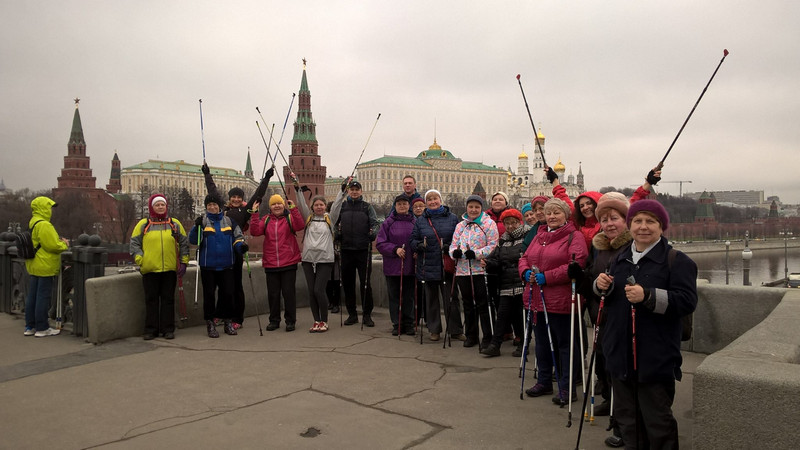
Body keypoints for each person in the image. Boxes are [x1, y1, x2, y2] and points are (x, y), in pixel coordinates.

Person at [595, 199, 697, 449]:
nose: (643, 227)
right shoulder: (619, 259)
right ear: (630, 226)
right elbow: (609, 300)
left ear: (661, 227)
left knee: (657, 423)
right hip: (620, 354)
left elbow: (686, 302)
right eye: (637, 221)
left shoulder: (677, 261)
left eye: (650, 221)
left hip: (655, 357)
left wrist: (648, 296)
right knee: (628, 422)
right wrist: (600, 286)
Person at [569, 191, 631, 446]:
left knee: (622, 372)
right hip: (601, 316)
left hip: (624, 320)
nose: (609, 224)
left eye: (614, 218)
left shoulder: (633, 246)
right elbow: (591, 283)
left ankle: (624, 424)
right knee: (604, 362)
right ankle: (611, 405)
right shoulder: (599, 247)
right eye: (604, 219)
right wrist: (581, 276)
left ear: (626, 219)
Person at [519, 198, 588, 405]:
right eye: (549, 213)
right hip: (537, 298)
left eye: (556, 212)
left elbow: (576, 263)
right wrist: (525, 272)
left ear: (566, 215)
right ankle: (544, 381)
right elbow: (524, 258)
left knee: (565, 345)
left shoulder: (574, 236)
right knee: (541, 343)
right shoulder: (540, 235)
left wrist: (547, 277)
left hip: (561, 300)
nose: (551, 216)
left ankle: (567, 387)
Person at [201, 163, 274, 329]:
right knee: (223, 286)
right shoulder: (223, 209)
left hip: (236, 252)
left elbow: (258, 194)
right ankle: (221, 314)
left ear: (242, 199)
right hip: (221, 253)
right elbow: (212, 191)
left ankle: (237, 318)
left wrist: (266, 178)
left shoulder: (245, 211)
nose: (236, 199)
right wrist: (207, 174)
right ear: (229, 198)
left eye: (239, 197)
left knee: (235, 286)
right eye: (233, 197)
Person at [130, 194, 190, 340]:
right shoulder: (143, 224)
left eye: (162, 205)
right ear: (152, 207)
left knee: (168, 300)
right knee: (151, 300)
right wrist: (140, 260)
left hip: (169, 269)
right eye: (157, 205)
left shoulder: (174, 224)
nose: (160, 207)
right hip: (150, 268)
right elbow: (134, 243)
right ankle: (151, 330)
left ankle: (168, 329)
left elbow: (184, 243)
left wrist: (183, 262)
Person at [189, 194, 248, 338]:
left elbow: (238, 237)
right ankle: (210, 323)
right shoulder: (202, 221)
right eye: (209, 205)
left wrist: (241, 247)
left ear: (219, 206)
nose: (212, 207)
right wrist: (196, 228)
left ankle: (227, 321)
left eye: (215, 205)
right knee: (209, 295)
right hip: (208, 266)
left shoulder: (229, 221)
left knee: (228, 294)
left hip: (226, 265)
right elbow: (193, 240)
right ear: (206, 207)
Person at [409, 189, 464, 342]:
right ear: (426, 203)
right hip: (428, 265)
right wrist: (419, 245)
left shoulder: (452, 218)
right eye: (430, 199)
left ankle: (455, 330)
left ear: (440, 200)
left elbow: (460, 238)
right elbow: (412, 240)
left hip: (447, 264)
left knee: (451, 299)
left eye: (435, 199)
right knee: (431, 299)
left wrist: (450, 247)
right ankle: (434, 330)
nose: (433, 202)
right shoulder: (421, 220)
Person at [249, 193, 305, 331]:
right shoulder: (266, 220)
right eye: (273, 204)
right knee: (273, 295)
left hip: (289, 262)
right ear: (270, 207)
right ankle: (274, 320)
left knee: (288, 293)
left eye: (279, 203)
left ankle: (290, 321)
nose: (277, 206)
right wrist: (255, 213)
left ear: (283, 205)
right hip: (271, 263)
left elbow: (300, 225)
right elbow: (255, 231)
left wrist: (294, 209)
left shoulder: (289, 218)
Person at [450, 195, 499, 349]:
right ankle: (471, 335)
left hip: (480, 270)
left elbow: (493, 245)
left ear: (481, 208)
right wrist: (454, 253)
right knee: (467, 304)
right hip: (463, 270)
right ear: (466, 208)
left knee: (482, 304)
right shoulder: (461, 225)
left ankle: (487, 336)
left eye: (477, 207)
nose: (473, 210)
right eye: (470, 207)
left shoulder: (488, 224)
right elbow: (453, 245)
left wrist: (477, 254)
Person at [296, 184, 345, 333]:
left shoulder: (330, 218)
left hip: (325, 260)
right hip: (308, 260)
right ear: (312, 207)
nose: (319, 207)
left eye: (321, 205)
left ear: (325, 206)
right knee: (312, 291)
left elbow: (337, 205)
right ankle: (316, 321)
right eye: (316, 205)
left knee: (319, 290)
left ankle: (324, 320)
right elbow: (301, 204)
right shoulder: (308, 218)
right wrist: (297, 189)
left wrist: (342, 191)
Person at [481, 208, 528, 356]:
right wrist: (488, 263)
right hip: (506, 283)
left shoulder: (526, 237)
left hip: (521, 281)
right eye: (507, 223)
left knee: (520, 315)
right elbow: (496, 260)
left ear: (519, 222)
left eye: (513, 223)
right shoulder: (503, 240)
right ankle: (495, 345)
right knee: (502, 314)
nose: (510, 226)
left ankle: (523, 343)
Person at [334, 180, 380, 327]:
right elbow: (334, 222)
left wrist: (373, 234)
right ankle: (352, 314)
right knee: (348, 284)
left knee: (365, 283)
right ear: (348, 191)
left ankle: (367, 315)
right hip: (346, 250)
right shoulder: (342, 206)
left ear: (361, 191)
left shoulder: (367, 207)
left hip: (363, 250)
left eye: (357, 189)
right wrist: (336, 234)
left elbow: (375, 223)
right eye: (352, 189)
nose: (354, 192)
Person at [23, 196, 69, 337]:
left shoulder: (33, 222)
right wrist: (64, 244)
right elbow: (52, 245)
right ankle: (42, 328)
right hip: (45, 265)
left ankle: (30, 326)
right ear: (44, 208)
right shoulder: (44, 225)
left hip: (34, 264)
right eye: (49, 207)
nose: (51, 211)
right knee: (43, 297)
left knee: (32, 297)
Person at [376, 195, 416, 336]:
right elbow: (380, 243)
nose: (402, 206)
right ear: (395, 206)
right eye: (399, 204)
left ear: (409, 206)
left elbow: (418, 240)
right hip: (392, 266)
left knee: (409, 296)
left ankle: (409, 323)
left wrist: (417, 250)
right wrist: (395, 249)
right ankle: (397, 324)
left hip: (410, 266)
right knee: (394, 297)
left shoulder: (415, 222)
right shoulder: (388, 222)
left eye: (405, 204)